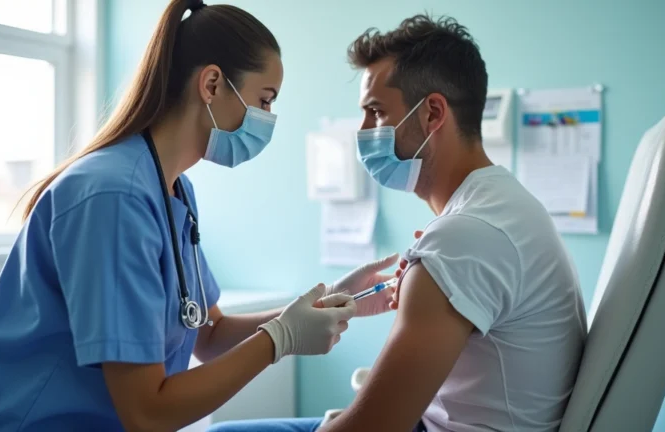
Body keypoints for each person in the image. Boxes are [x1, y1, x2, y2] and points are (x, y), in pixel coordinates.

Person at [0, 1, 403, 430]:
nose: (268, 117)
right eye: (264, 100)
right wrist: (280, 340)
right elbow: (147, 412)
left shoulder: (172, 189)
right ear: (211, 84)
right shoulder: (113, 195)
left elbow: (209, 333)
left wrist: (324, 304)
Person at [210, 14, 588, 432]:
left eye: (375, 112)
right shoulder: (497, 206)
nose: (364, 130)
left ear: (433, 113)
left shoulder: (466, 236)